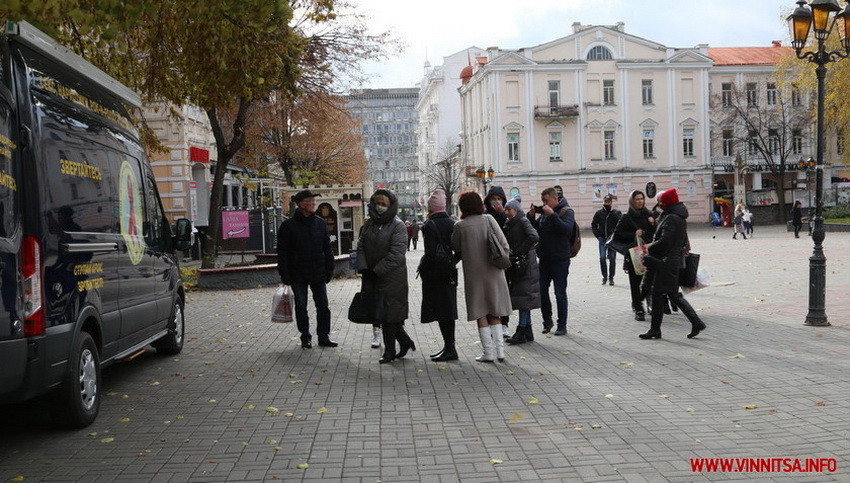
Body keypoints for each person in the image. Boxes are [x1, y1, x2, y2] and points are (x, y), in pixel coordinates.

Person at [452, 191, 512, 362]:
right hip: (494, 272)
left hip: (474, 276)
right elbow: (504, 244)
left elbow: (455, 246)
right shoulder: (489, 220)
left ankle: (488, 352)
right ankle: (500, 352)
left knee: (481, 313)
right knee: (495, 312)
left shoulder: (460, 226)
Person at [639, 188, 706, 340]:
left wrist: (650, 247)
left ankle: (696, 322)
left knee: (671, 294)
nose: (659, 205)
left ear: (666, 204)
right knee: (662, 294)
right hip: (670, 260)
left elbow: (666, 241)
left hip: (665, 262)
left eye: (661, 203)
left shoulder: (672, 218)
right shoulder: (676, 216)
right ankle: (656, 329)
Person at [358, 189, 414, 363]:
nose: (380, 207)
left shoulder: (397, 225)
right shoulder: (369, 224)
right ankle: (405, 342)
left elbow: (397, 254)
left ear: (390, 206)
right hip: (372, 276)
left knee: (389, 315)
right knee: (381, 313)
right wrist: (364, 268)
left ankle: (389, 352)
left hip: (392, 277)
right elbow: (360, 246)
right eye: (377, 203)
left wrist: (377, 270)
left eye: (384, 204)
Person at [277, 190, 336, 349]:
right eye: (311, 201)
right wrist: (285, 273)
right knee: (301, 306)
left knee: (323, 305)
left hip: (318, 272)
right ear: (301, 204)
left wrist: (329, 268)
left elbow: (327, 248)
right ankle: (305, 337)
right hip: (297, 273)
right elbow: (282, 252)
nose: (314, 204)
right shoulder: (288, 226)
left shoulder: (320, 223)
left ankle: (324, 336)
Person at [527, 187, 575, 336]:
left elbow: (566, 230)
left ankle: (562, 325)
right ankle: (547, 322)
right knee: (542, 291)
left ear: (555, 199)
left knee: (559, 293)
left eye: (546, 201)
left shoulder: (566, 211)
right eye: (542, 201)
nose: (544, 204)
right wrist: (531, 218)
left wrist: (552, 215)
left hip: (560, 259)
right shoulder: (545, 214)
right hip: (545, 259)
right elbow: (538, 232)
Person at [418, 190, 459, 362]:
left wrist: (422, 268)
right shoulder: (453, 223)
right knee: (448, 309)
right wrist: (451, 261)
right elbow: (461, 249)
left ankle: (449, 348)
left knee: (441, 310)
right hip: (449, 273)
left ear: (431, 207)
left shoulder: (429, 225)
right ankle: (449, 346)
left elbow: (429, 254)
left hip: (435, 274)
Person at [501, 196, 541, 345]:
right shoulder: (512, 222)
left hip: (526, 265)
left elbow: (534, 236)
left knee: (524, 299)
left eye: (508, 209)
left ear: (516, 210)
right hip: (522, 265)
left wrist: (521, 251)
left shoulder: (522, 221)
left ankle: (522, 330)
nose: (506, 212)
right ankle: (527, 331)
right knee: (524, 298)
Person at [611, 190, 655, 321]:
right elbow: (618, 234)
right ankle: (638, 308)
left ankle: (650, 304)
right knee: (635, 284)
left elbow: (654, 234)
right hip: (633, 255)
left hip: (648, 253)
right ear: (632, 201)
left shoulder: (649, 215)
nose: (640, 201)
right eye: (637, 199)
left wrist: (653, 224)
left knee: (649, 282)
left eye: (642, 198)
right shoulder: (626, 217)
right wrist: (634, 234)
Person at [484, 185, 511, 335]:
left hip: (503, 258)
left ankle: (504, 324)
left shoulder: (506, 214)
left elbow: (510, 230)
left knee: (504, 291)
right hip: (488, 259)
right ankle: (493, 324)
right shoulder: (485, 215)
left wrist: (502, 215)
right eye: (493, 199)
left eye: (498, 199)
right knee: (490, 293)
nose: (496, 202)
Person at [591, 194, 621, 286]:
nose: (607, 203)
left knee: (612, 259)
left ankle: (611, 278)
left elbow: (620, 224)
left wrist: (613, 213)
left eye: (608, 202)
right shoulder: (599, 213)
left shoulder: (616, 213)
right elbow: (594, 225)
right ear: (603, 202)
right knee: (602, 258)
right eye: (605, 202)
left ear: (611, 203)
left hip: (612, 240)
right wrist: (598, 236)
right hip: (602, 239)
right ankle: (604, 276)